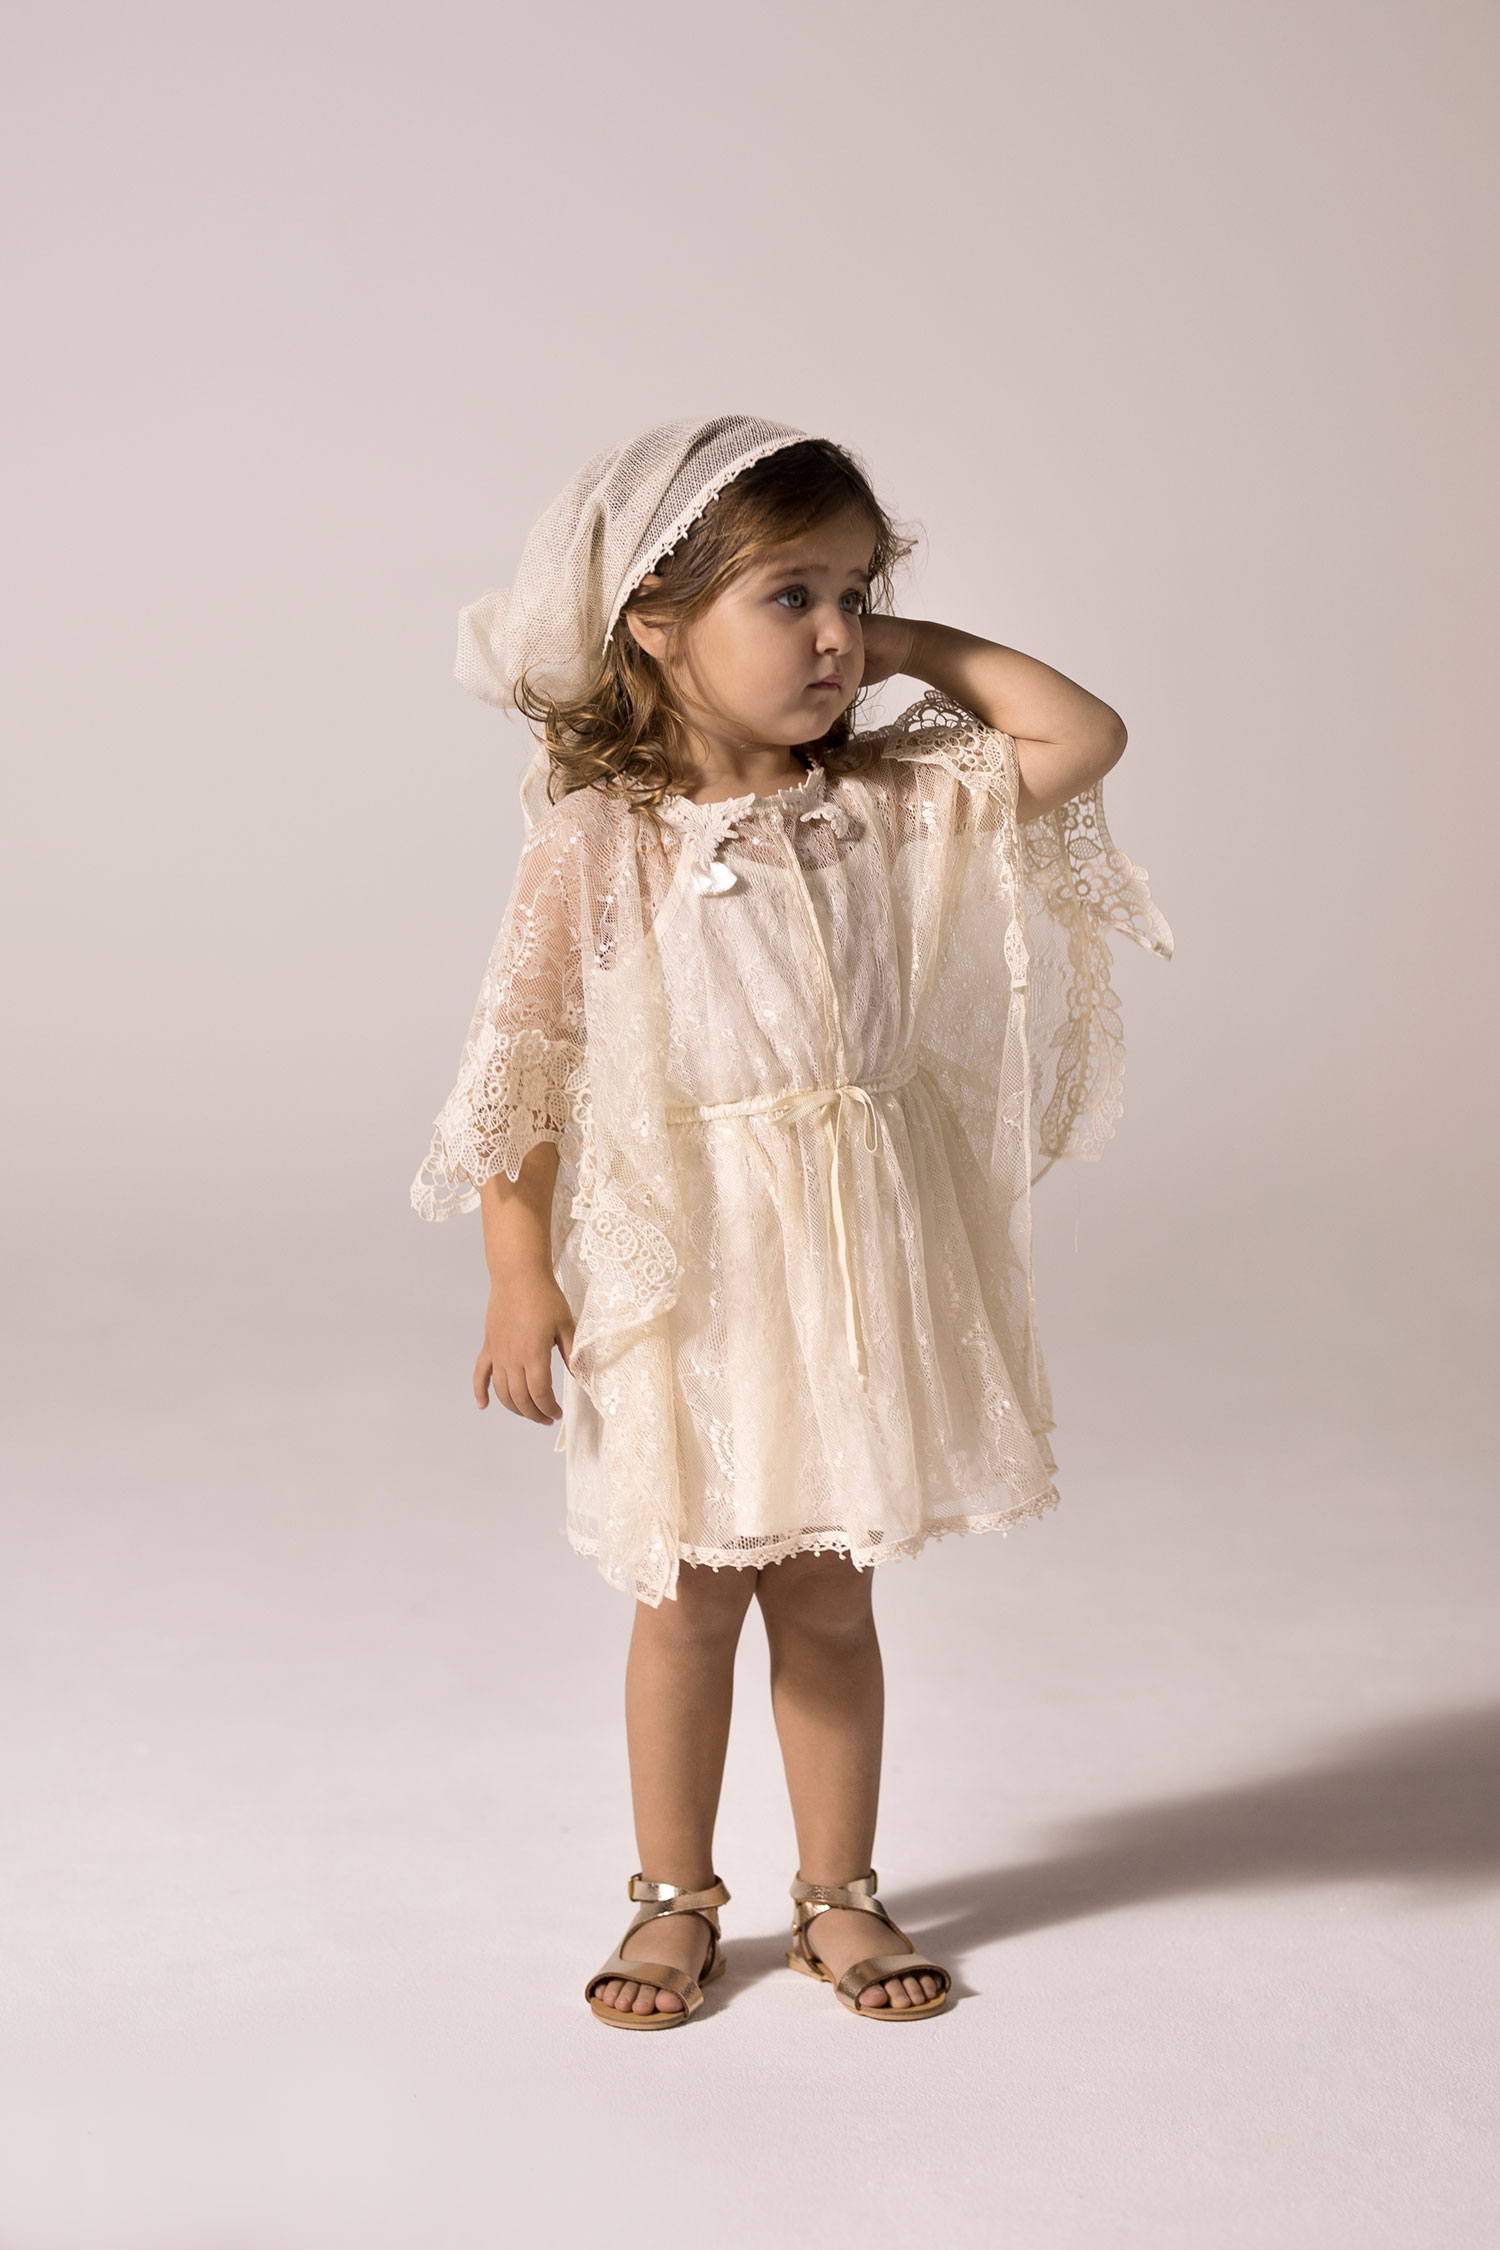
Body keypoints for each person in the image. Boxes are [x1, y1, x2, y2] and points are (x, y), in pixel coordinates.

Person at [411, 415, 1172, 2028]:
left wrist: (900, 646)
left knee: (831, 1592)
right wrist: (516, 1271)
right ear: (655, 619)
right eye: (790, 598)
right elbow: (519, 1071)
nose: (837, 635)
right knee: (689, 1595)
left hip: (842, 1268)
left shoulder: (884, 801)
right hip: (692, 1272)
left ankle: (839, 1892)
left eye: (856, 593)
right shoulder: (602, 840)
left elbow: (1083, 733)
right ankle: (674, 1895)